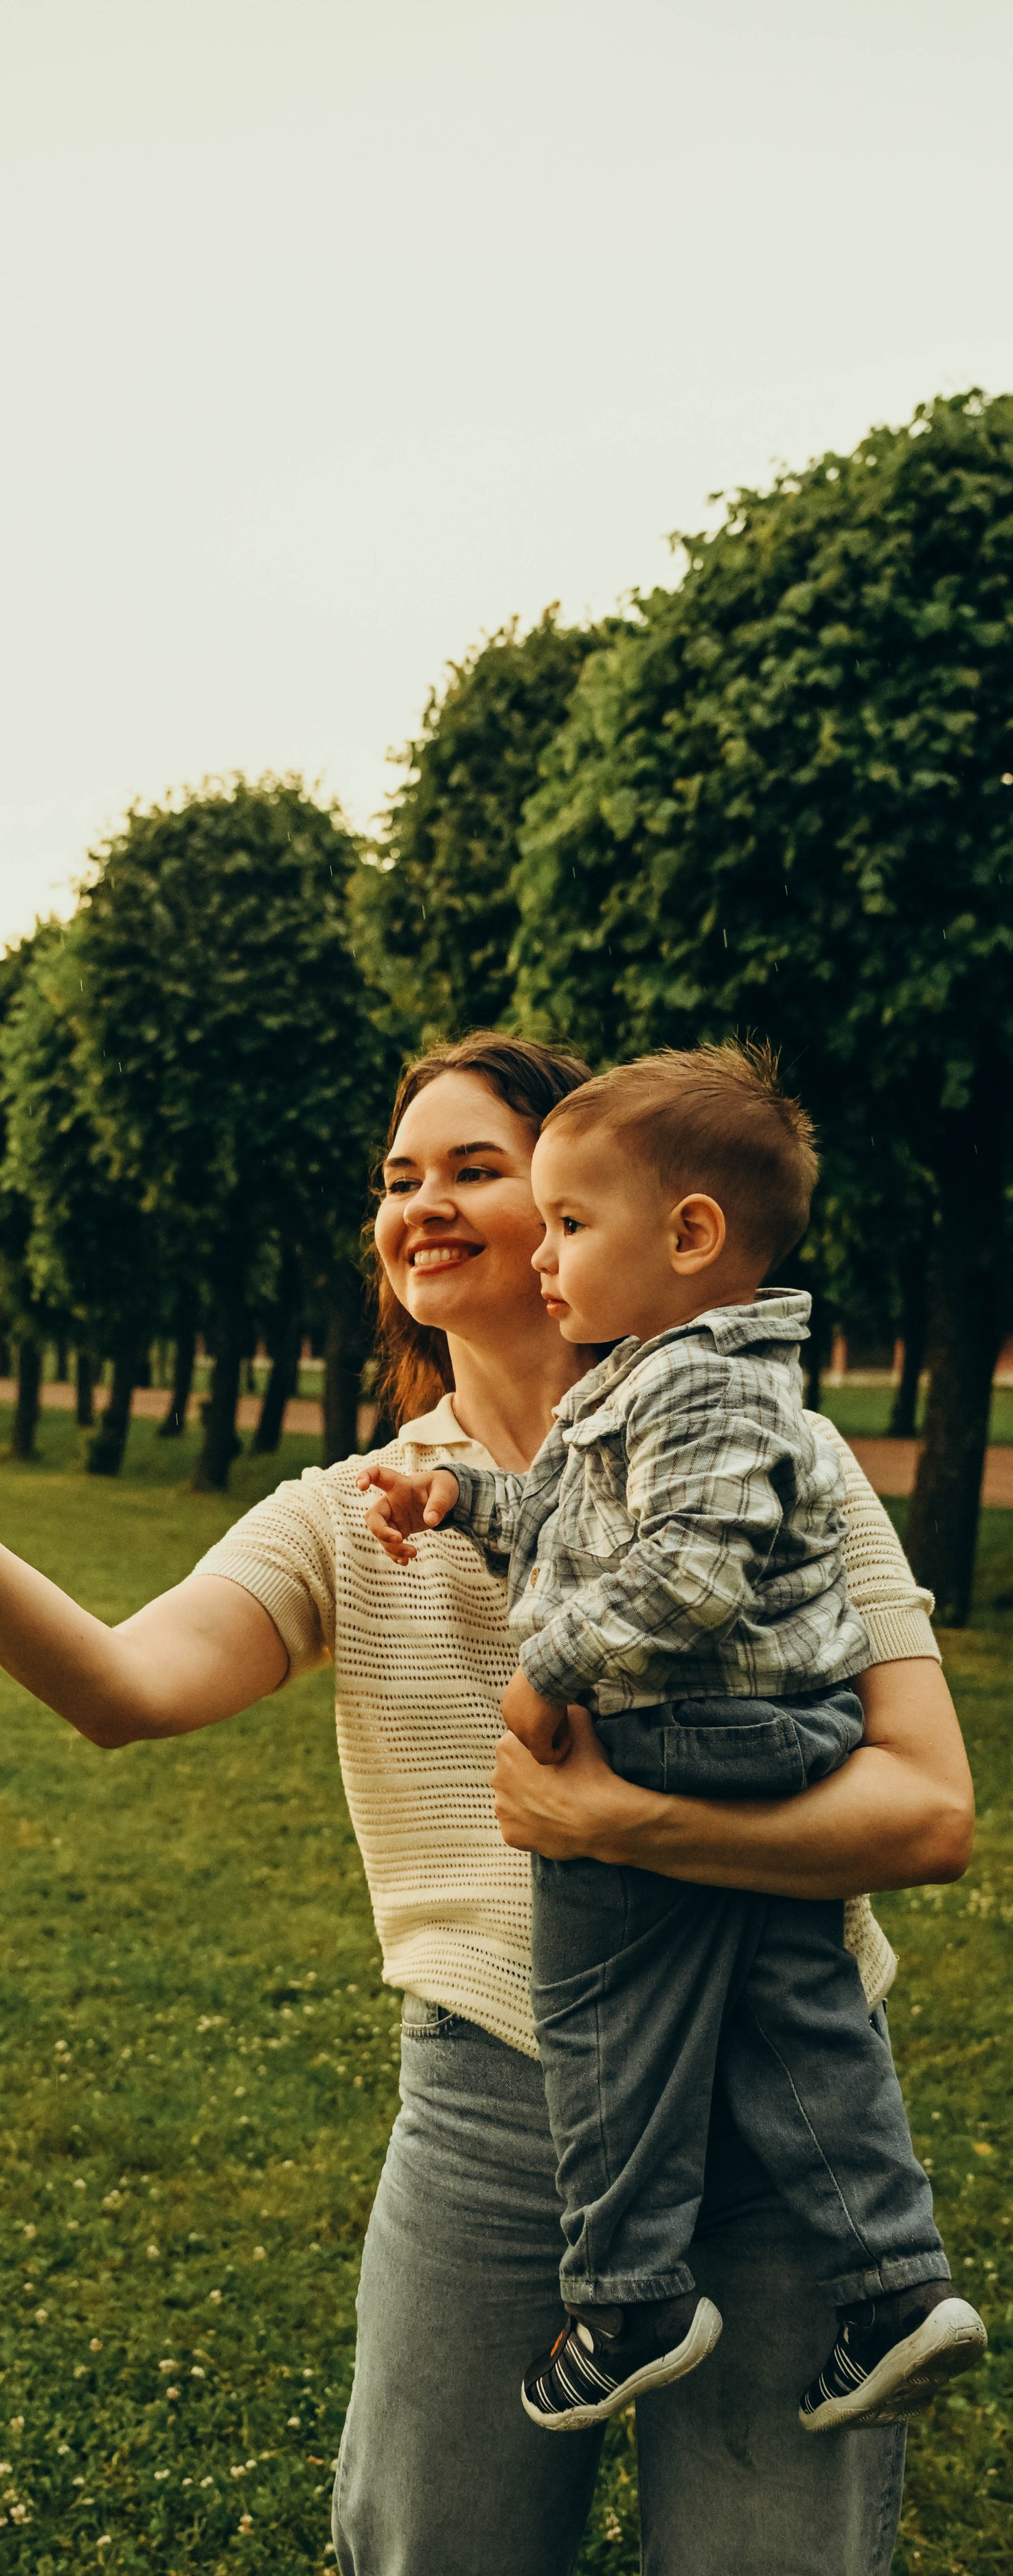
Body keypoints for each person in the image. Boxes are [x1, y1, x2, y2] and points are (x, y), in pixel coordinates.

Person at [0, 1029, 975, 2576]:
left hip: (781, 2101)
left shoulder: (769, 1453)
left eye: (473, 1169)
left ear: (613, 1207)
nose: (420, 1204)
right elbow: (118, 1686)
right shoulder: (353, 1507)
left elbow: (925, 1807)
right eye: (395, 1178)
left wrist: (612, 1820)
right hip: (496, 2126)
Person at [356, 1045, 984, 2440]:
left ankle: (628, 2288)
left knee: (585, 1992)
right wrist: (457, 1495)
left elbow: (684, 1580)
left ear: (689, 1236)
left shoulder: (701, 1385)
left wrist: (544, 1675)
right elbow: (573, 1526)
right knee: (784, 1993)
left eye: (563, 1220)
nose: (543, 1257)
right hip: (754, 1729)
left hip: (704, 1728)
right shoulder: (652, 1382)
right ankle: (892, 2282)